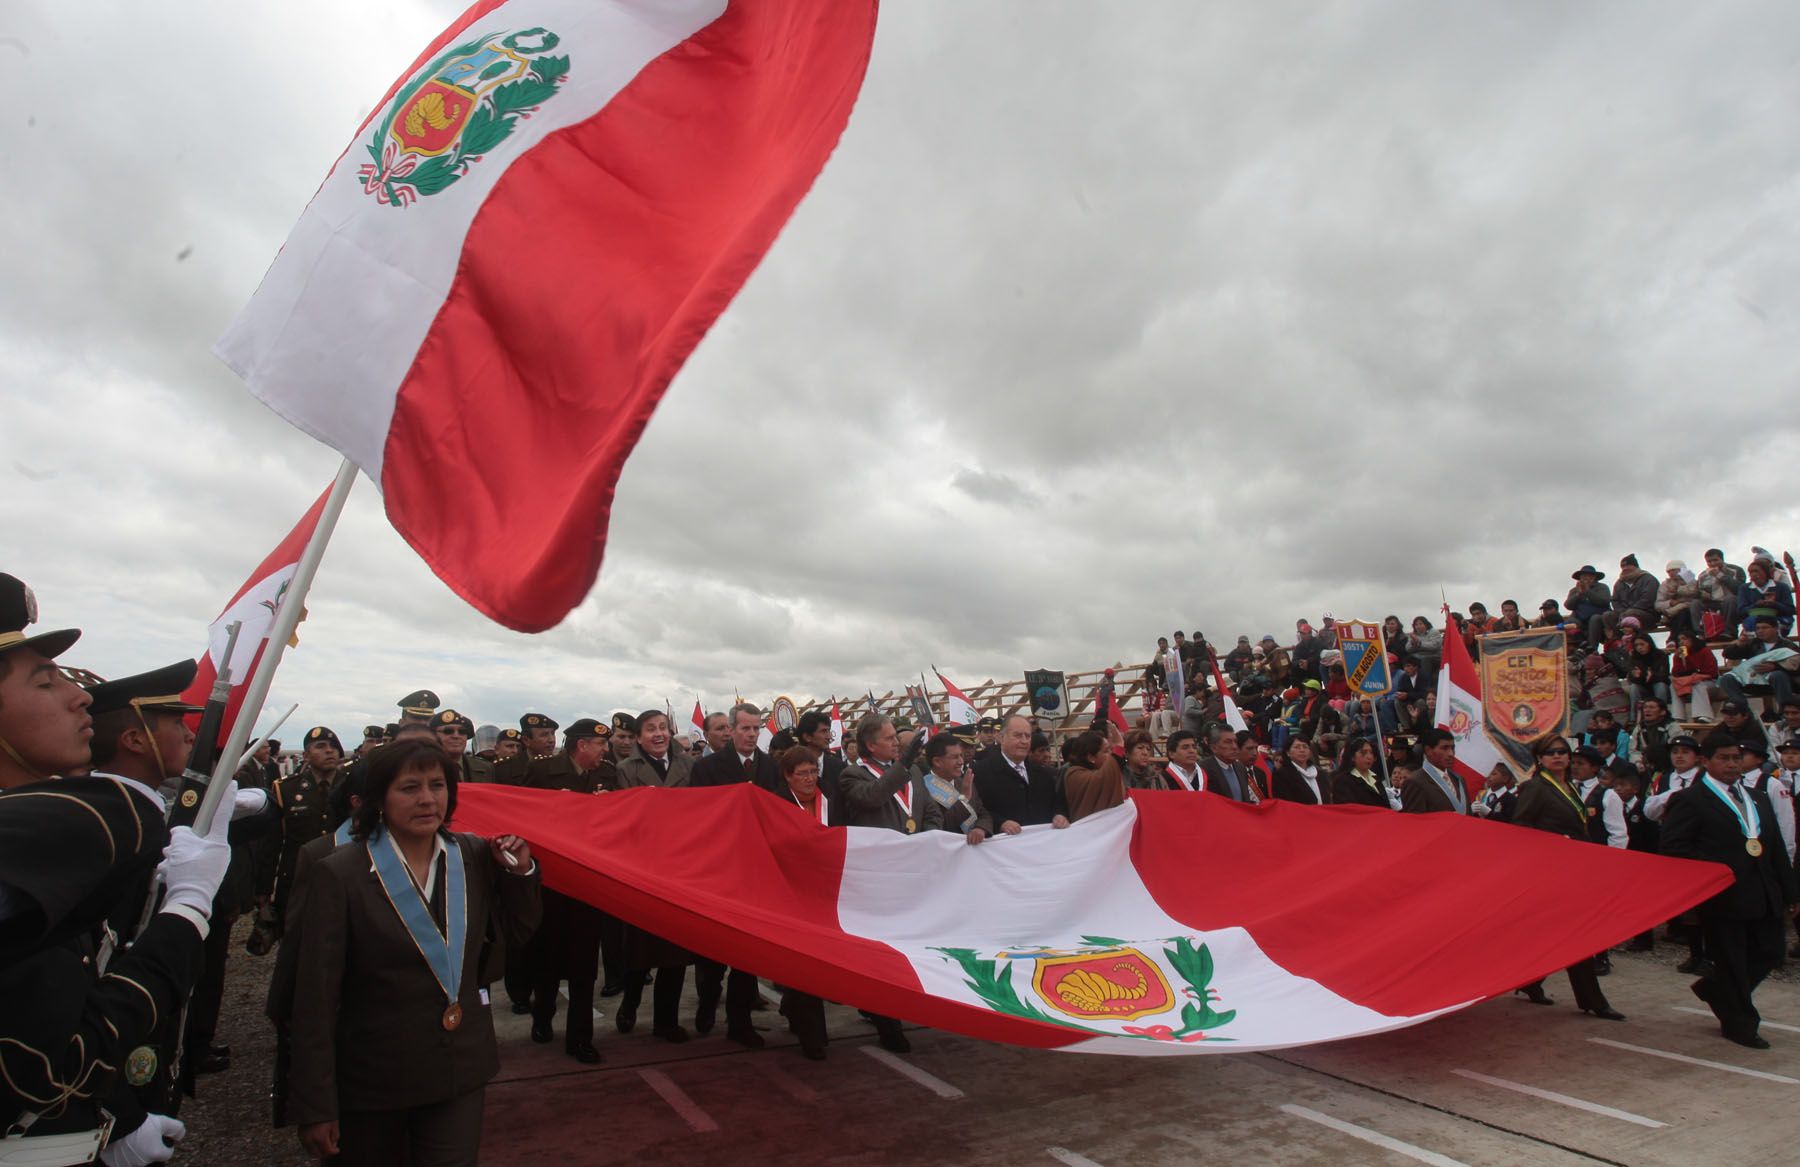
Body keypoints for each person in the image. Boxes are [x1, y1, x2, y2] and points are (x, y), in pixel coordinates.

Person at [0, 573, 234, 1166]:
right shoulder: (103, 819)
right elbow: (47, 1065)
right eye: (45, 681)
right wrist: (186, 911)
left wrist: (119, 1114)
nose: (78, 696)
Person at [288, 739, 540, 1164]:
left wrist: (523, 873)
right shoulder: (340, 873)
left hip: (458, 1069)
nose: (427, 799)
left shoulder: (473, 855)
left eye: (437, 785)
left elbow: (515, 934)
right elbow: (315, 996)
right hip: (374, 1079)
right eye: (409, 788)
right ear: (378, 800)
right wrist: (315, 1104)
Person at [1659, 732, 1799, 1048]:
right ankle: (1741, 1023)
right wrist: (1719, 867)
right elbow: (1673, 846)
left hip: (1762, 891)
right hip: (1723, 894)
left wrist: (1792, 893)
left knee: (1771, 951)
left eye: (1737, 758)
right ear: (1705, 761)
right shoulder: (1690, 799)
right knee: (1732, 960)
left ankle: (1716, 990)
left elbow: (1775, 847)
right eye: (1724, 758)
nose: (1732, 764)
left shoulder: (1757, 797)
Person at [1506, 736, 1626, 1020]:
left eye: (1562, 752)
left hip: (1573, 871)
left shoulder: (1567, 786)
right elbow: (1520, 828)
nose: (1558, 756)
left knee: (1563, 934)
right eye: (1551, 753)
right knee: (1571, 934)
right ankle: (1592, 1000)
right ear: (1540, 759)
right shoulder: (1535, 787)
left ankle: (1531, 982)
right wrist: (1554, 843)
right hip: (1548, 871)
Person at [522, 718, 613, 1061]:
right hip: (552, 883)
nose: (605, 751)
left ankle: (580, 1037)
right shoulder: (543, 774)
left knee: (585, 965)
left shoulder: (606, 774)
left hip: (588, 882)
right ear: (581, 746)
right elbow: (525, 817)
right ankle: (542, 1015)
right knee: (548, 958)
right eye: (599, 744)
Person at [689, 703, 777, 1044]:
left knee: (746, 954)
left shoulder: (769, 767)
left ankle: (740, 1023)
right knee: (713, 954)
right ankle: (708, 1004)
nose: (751, 734)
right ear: (731, 730)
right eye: (745, 728)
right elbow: (700, 817)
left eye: (756, 729)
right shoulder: (709, 768)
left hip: (755, 872)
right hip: (720, 871)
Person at [610, 710, 699, 1043]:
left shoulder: (689, 766)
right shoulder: (625, 770)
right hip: (644, 869)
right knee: (640, 950)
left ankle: (666, 1020)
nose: (659, 734)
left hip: (681, 868)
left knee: (675, 950)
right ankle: (630, 1003)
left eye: (663, 728)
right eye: (651, 730)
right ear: (638, 737)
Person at [763, 747, 836, 1058]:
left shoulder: (831, 799)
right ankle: (813, 1036)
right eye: (803, 773)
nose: (810, 778)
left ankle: (793, 1004)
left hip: (827, 892)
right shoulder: (775, 804)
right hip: (790, 892)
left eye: (814, 771)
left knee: (821, 962)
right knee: (805, 961)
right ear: (787, 776)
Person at [263, 726, 343, 942]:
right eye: (321, 747)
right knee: (295, 943)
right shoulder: (287, 790)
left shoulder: (350, 786)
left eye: (334, 747)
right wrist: (263, 891)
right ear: (306, 755)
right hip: (298, 880)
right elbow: (272, 843)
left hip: (342, 879)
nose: (330, 751)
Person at [971, 714, 1071, 832]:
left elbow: (1058, 804)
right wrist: (1000, 823)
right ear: (1001, 738)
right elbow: (976, 810)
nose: (1024, 741)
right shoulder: (981, 772)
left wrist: (1059, 814)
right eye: (1018, 735)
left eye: (1027, 736)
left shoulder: (1044, 774)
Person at [1719, 616, 1800, 714]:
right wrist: (1739, 643)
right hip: (1755, 682)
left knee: (1778, 675)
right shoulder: (1753, 644)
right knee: (1726, 679)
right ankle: (1743, 712)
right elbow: (1728, 654)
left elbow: (1797, 667)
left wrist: (1776, 667)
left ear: (1775, 628)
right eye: (1758, 628)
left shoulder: (1788, 645)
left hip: (1779, 683)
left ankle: (1784, 712)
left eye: (1764, 627)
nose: (1760, 631)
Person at [1064, 726, 1129, 820]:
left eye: (1111, 750)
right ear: (1091, 758)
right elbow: (1102, 778)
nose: (1111, 754)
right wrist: (1118, 748)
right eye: (1106, 751)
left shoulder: (1108, 771)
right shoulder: (1074, 774)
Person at [1402, 729, 1469, 814]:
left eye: (1452, 748)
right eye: (1444, 748)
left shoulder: (1458, 779)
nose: (1451, 754)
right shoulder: (1414, 782)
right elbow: (1415, 822)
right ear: (1428, 751)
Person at [1198, 724, 1262, 803]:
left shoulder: (1240, 768)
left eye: (1235, 741)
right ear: (1214, 747)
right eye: (1228, 742)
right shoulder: (1202, 770)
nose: (1234, 746)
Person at [1669, 630, 1721, 722]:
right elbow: (1676, 674)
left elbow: (1711, 672)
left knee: (1697, 684)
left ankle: (1703, 715)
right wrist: (1679, 659)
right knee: (1673, 686)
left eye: (1684, 639)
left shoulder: (1705, 651)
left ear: (1692, 639)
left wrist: (1696, 675)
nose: (1681, 642)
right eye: (1679, 640)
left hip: (1709, 683)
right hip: (1688, 683)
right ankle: (1678, 717)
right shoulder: (1679, 655)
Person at [1737, 558, 1795, 635]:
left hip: (1778, 618)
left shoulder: (1781, 587)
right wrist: (1756, 605)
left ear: (1766, 572)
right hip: (1755, 621)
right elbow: (1741, 611)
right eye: (1751, 572)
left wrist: (1774, 604)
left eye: (1756, 571)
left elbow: (1790, 610)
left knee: (1773, 625)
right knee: (1752, 623)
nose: (1753, 574)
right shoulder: (1745, 588)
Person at [433, 709, 493, 784]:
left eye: (462, 732)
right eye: (448, 731)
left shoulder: (485, 768)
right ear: (433, 735)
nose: (456, 736)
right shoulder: (422, 766)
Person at [1330, 739, 1393, 809]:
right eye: (1363, 753)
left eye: (1371, 753)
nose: (1369, 757)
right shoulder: (1343, 781)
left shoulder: (1375, 777)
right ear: (1352, 757)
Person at [1624, 633, 1671, 722]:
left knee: (1660, 685)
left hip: (1659, 686)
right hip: (1643, 687)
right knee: (1634, 687)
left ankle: (1662, 715)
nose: (1639, 647)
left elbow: (1664, 675)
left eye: (1642, 644)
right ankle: (1634, 718)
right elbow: (1632, 677)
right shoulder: (1634, 657)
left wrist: (1650, 676)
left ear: (1649, 643)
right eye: (1636, 645)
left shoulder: (1660, 655)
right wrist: (1640, 676)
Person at [1271, 737, 1331, 804]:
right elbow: (1284, 803)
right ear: (1288, 753)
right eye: (1297, 747)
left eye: (1305, 747)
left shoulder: (1320, 773)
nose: (1302, 750)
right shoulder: (1281, 775)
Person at [1567, 566, 1612, 647]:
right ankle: (1576, 648)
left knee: (1594, 619)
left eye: (1589, 576)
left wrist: (1587, 591)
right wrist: (1578, 594)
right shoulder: (1574, 590)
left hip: (1598, 617)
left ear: (1594, 577)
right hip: (1580, 619)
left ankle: (1591, 649)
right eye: (1584, 576)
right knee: (1571, 622)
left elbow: (1604, 602)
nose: (1586, 578)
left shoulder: (1602, 587)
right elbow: (1568, 605)